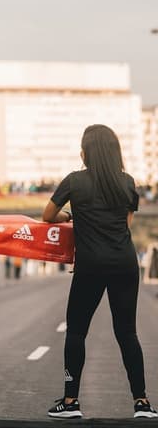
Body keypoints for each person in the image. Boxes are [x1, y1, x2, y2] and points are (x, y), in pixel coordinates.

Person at [43, 124, 157, 419]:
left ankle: (70, 402)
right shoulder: (127, 182)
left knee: (77, 331)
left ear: (85, 151)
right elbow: (126, 223)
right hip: (124, 263)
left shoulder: (75, 181)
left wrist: (73, 215)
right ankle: (142, 402)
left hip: (90, 265)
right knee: (127, 333)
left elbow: (47, 216)